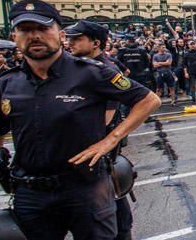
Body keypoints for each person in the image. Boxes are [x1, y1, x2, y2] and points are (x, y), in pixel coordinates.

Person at [0, 0, 160, 240]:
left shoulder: (91, 72)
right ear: (15, 36)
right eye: (26, 30)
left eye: (42, 29)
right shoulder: (7, 83)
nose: (35, 36)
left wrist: (110, 141)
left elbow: (148, 100)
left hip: (85, 188)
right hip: (31, 193)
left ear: (59, 34)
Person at [64, 20, 135, 240]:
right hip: (84, 156)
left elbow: (108, 115)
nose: (70, 43)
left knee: (111, 201)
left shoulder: (104, 70)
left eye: (77, 39)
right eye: (69, 38)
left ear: (95, 43)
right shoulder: (76, 68)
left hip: (98, 149)